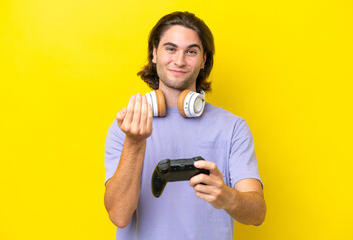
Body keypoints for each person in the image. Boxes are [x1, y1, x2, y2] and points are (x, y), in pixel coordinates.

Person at [104, 11, 266, 239]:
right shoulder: (128, 125)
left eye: (191, 51)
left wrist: (227, 197)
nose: (179, 61)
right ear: (154, 53)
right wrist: (135, 141)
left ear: (203, 60)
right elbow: (119, 216)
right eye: (170, 49)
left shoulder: (233, 128)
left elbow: (257, 213)